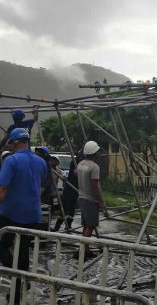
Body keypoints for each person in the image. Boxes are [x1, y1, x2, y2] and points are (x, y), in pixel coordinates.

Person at [0, 128, 47, 303]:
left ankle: (17, 275)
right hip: (32, 215)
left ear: (13, 143)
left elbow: (2, 190)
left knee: (2, 246)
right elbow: (40, 184)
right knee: (22, 250)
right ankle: (19, 288)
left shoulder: (11, 161)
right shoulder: (40, 162)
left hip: (10, 213)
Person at [75, 141, 104, 259]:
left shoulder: (81, 164)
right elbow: (94, 186)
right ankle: (81, 250)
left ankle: (85, 250)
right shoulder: (94, 167)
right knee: (91, 225)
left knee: (86, 225)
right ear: (95, 153)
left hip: (81, 197)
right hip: (90, 200)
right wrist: (100, 201)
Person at [52, 151, 83, 231]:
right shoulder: (75, 161)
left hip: (74, 188)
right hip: (70, 187)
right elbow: (76, 173)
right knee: (66, 208)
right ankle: (60, 226)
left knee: (70, 208)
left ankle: (66, 225)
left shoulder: (79, 161)